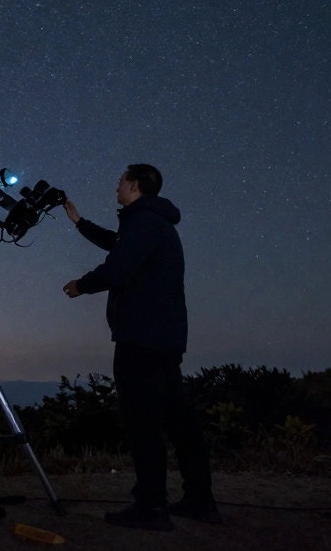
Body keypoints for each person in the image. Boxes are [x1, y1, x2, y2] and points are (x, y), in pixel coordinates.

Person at [62, 164, 219, 531]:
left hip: (141, 338)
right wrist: (79, 221)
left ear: (134, 185)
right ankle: (200, 500)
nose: (115, 186)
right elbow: (118, 245)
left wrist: (80, 286)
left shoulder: (144, 223)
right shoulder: (148, 223)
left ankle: (151, 507)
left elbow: (117, 267)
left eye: (120, 181)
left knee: (142, 421)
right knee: (178, 419)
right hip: (162, 338)